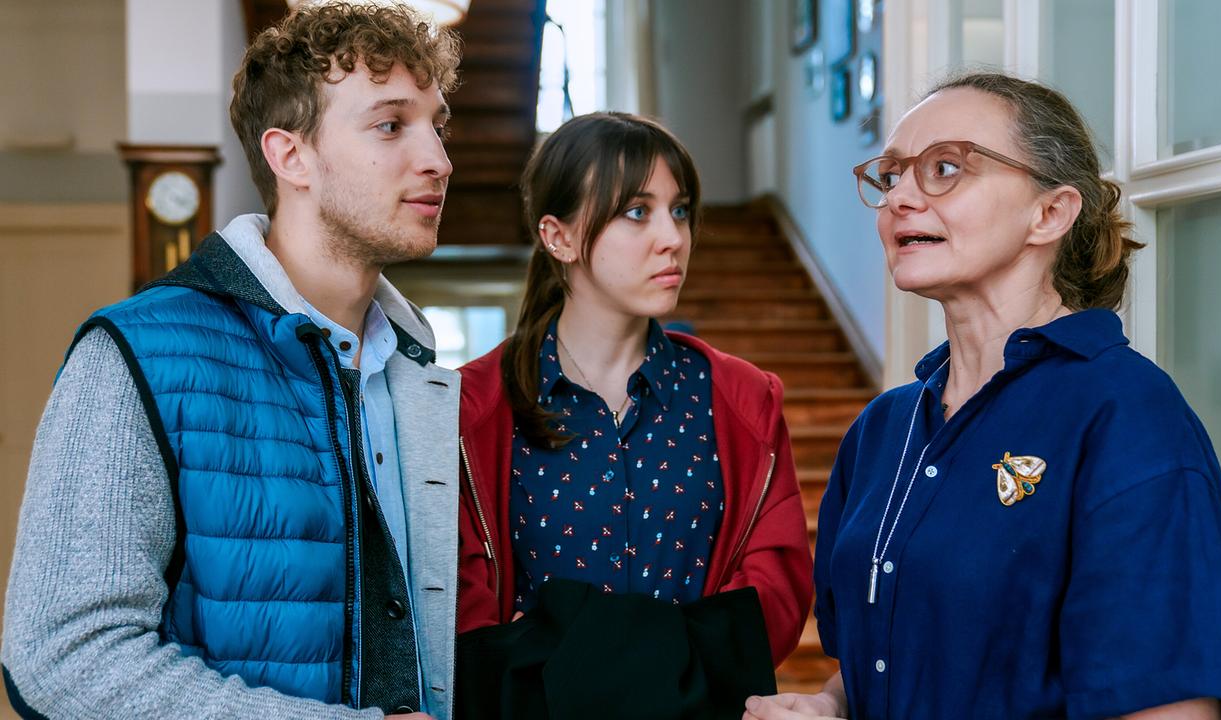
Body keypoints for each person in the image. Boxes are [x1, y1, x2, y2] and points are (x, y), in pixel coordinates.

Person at [745, 72, 1221, 720]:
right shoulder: (883, 429)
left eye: (944, 168)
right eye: (891, 175)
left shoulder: (1126, 414)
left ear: (1049, 213)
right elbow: (893, 657)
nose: (900, 197)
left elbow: (1172, 708)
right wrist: (829, 706)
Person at [3, 3, 463, 718]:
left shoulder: (416, 372)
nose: (438, 158)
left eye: (438, 124)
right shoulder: (137, 354)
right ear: (290, 156)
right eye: (391, 125)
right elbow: (62, 656)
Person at [456, 112, 812, 684]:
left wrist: (592, 657)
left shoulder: (743, 398)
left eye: (680, 210)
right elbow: (461, 603)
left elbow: (777, 591)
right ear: (559, 236)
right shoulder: (472, 406)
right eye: (637, 212)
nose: (673, 238)